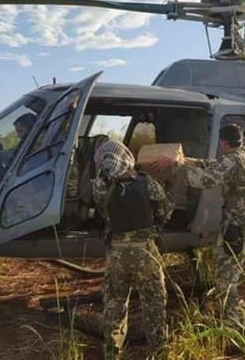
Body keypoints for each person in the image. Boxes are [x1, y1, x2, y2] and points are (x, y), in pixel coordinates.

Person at [152, 124, 245, 326]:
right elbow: (215, 165)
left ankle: (233, 327)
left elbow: (205, 180)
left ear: (223, 142)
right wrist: (184, 160)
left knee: (225, 279)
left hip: (239, 227)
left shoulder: (233, 162)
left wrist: (174, 167)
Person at [92, 140, 173, 359]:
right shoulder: (147, 182)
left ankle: (112, 352)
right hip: (145, 251)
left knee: (115, 303)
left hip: (116, 252)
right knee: (154, 303)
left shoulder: (100, 186)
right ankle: (159, 352)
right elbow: (164, 211)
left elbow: (103, 211)